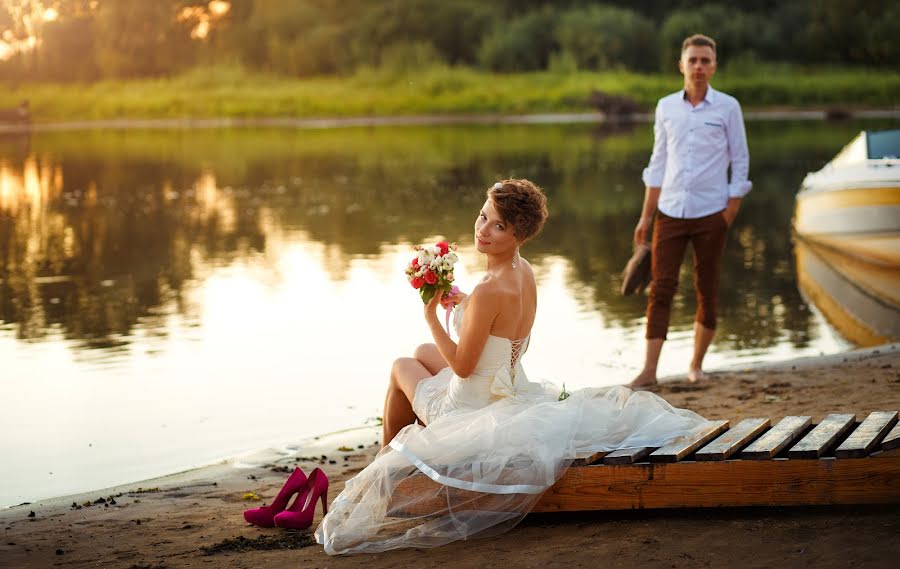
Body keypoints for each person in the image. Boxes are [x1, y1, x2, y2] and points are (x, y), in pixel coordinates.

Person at [316, 179, 710, 555]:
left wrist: (432, 315)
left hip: (471, 405)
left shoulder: (490, 290)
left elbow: (464, 367)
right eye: (483, 216)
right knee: (423, 351)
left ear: (519, 235)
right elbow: (496, 329)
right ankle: (409, 463)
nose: (483, 230)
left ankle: (389, 465)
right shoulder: (522, 272)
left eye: (498, 226)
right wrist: (460, 300)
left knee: (402, 364)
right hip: (506, 382)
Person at [629, 34, 752, 389]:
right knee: (661, 288)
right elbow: (658, 162)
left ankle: (695, 365)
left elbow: (740, 162)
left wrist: (727, 213)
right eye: (693, 60)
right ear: (681, 65)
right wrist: (645, 216)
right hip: (669, 212)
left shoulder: (728, 107)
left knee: (706, 288)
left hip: (711, 213)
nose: (699, 66)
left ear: (714, 66)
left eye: (705, 60)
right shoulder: (666, 106)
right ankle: (649, 371)